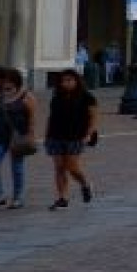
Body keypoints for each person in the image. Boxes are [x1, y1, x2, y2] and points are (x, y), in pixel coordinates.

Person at [43, 68, 99, 208]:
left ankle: (85, 184)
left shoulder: (87, 97)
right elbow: (51, 117)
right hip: (55, 135)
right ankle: (62, 197)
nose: (66, 83)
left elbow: (93, 118)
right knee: (59, 167)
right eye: (63, 81)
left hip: (76, 136)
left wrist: (88, 134)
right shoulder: (57, 97)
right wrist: (46, 135)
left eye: (69, 80)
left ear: (76, 81)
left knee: (72, 167)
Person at [0, 68, 36, 209]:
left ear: (16, 81)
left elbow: (31, 118)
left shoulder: (27, 96)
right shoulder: (0, 96)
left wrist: (30, 135)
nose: (5, 84)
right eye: (3, 81)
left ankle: (18, 198)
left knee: (16, 168)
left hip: (18, 137)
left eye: (9, 81)